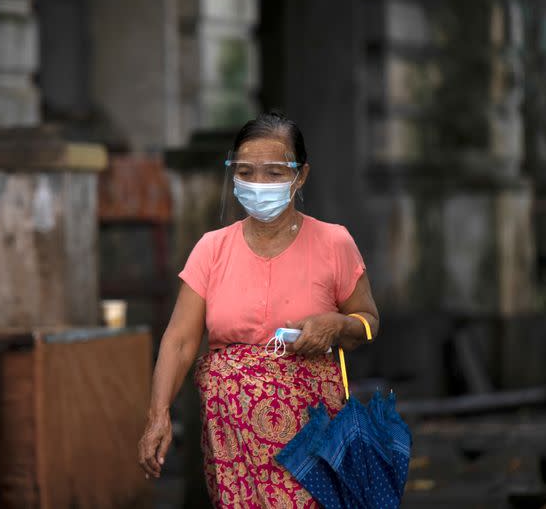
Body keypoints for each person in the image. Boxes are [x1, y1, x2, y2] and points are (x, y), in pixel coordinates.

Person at [138, 111, 380, 508]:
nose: (258, 184)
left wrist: (337, 325)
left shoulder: (334, 243)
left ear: (300, 176)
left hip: (312, 441)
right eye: (246, 172)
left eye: (273, 173)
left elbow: (369, 323)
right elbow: (180, 340)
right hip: (232, 446)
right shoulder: (211, 249)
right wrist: (157, 414)